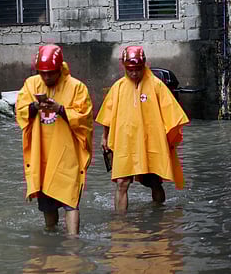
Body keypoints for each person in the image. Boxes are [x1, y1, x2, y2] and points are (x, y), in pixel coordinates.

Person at [95, 46, 189, 213]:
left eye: (138, 69)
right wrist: (104, 137)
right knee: (122, 183)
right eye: (130, 69)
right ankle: (121, 223)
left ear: (144, 65)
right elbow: (107, 114)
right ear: (124, 67)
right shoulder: (118, 87)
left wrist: (170, 139)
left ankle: (159, 215)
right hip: (124, 142)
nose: (134, 73)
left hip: (149, 143)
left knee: (154, 182)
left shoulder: (156, 85)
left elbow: (172, 114)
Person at [15, 45, 93, 236]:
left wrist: (61, 109)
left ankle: (74, 244)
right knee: (47, 207)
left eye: (51, 73)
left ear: (60, 69)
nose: (47, 78)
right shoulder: (31, 84)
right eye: (43, 73)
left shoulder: (76, 87)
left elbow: (85, 118)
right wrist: (34, 106)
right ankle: (51, 242)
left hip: (67, 154)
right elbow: (20, 112)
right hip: (42, 155)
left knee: (70, 201)